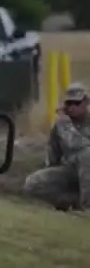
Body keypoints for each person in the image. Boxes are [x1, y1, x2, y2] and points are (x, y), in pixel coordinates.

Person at [23, 82, 90, 211]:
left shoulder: (66, 124)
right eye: (68, 103)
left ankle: (88, 207)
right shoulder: (60, 125)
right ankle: (72, 202)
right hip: (71, 172)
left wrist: (66, 124)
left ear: (86, 102)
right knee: (33, 183)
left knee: (87, 155)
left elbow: (79, 145)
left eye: (76, 103)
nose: (71, 107)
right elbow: (54, 156)